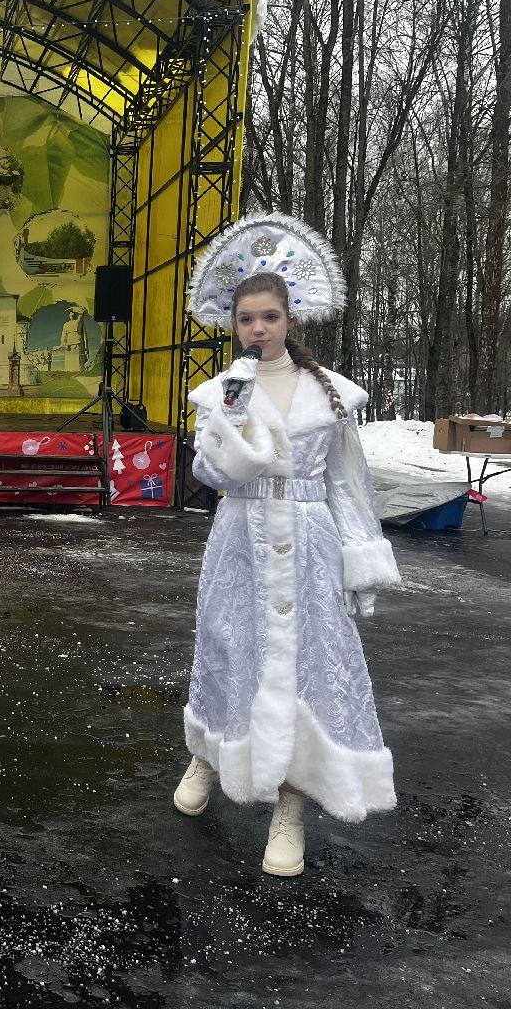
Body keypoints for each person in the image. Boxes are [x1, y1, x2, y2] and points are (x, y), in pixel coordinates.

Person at [174, 213, 400, 877]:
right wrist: (232, 438)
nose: (259, 328)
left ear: (289, 320)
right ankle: (207, 754)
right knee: (226, 651)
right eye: (247, 318)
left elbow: (347, 484)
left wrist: (359, 560)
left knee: (308, 672)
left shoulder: (329, 396)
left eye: (270, 316)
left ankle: (289, 810)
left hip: (309, 545)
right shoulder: (223, 392)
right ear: (234, 323)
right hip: (239, 539)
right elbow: (206, 473)